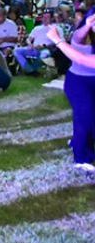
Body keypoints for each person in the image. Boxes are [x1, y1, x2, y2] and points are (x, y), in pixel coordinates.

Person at [47, 13, 95, 172]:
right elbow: (76, 39)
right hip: (78, 82)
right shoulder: (84, 34)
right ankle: (81, 158)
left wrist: (57, 40)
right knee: (85, 116)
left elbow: (83, 59)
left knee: (90, 120)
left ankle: (79, 143)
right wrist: (87, 24)